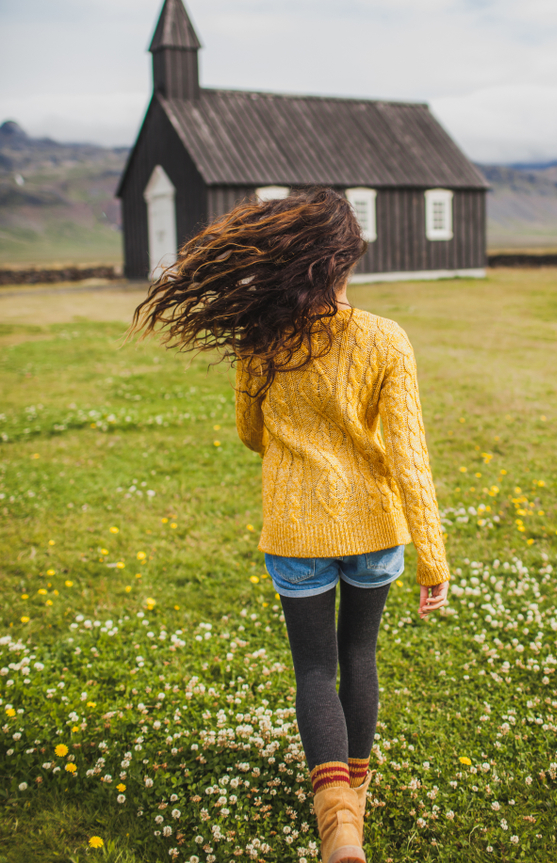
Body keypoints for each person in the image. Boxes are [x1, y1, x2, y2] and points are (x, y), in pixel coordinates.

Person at [133, 187, 449, 863]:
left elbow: (251, 434)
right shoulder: (386, 339)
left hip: (295, 530)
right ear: (343, 263)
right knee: (358, 656)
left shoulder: (262, 338)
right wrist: (434, 559)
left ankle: (337, 825)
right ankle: (352, 800)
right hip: (374, 530)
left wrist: (295, 447)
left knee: (313, 670)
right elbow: (409, 456)